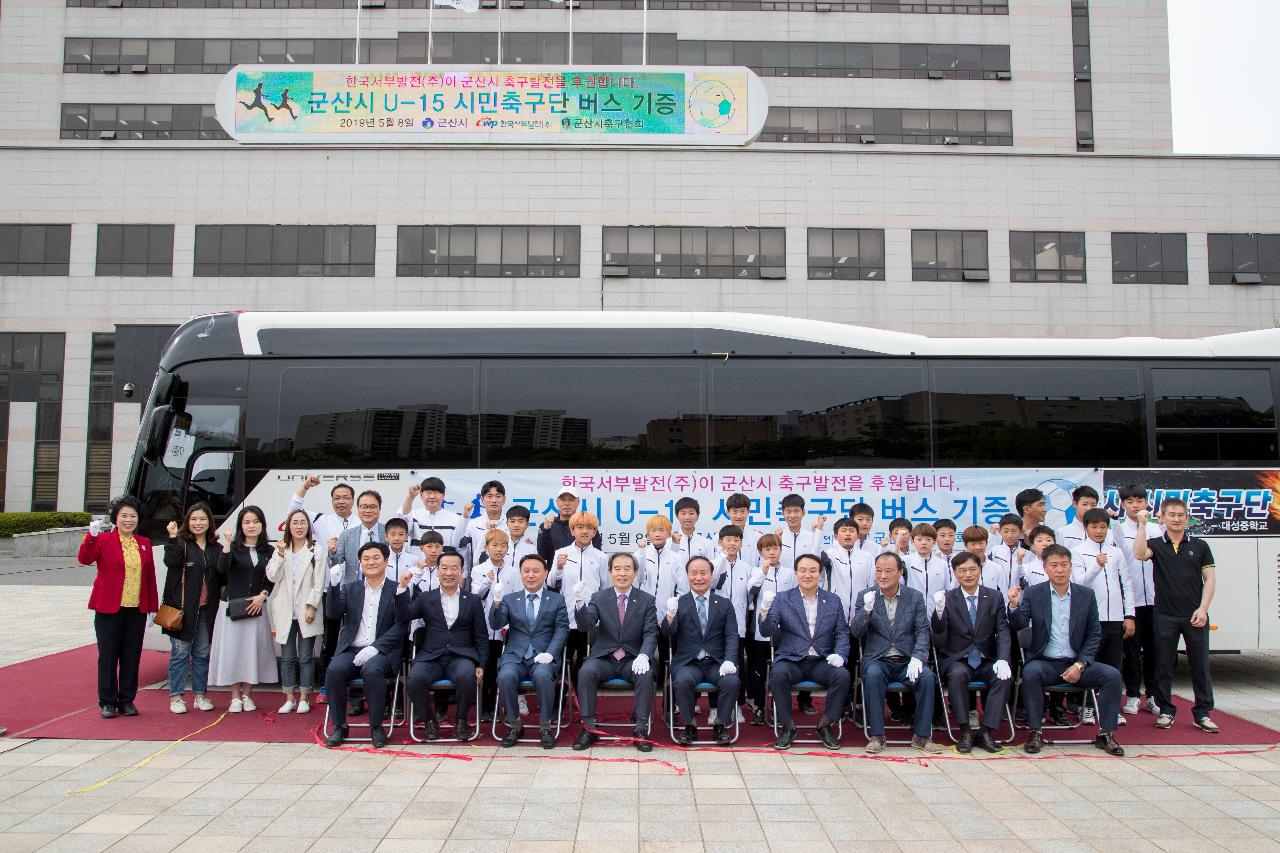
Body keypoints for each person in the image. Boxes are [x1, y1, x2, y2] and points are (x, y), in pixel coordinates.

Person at [1008, 544, 1125, 756]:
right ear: (1045, 568)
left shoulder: (1086, 595)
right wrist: (1015, 606)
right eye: (1054, 565)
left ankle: (1106, 733)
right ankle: (1036, 731)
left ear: (1071, 566)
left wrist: (1080, 664)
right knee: (1030, 672)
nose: (1059, 570)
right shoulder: (1035, 593)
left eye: (1064, 565)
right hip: (1046, 662)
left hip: (1078, 663)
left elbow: (1093, 634)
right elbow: (1019, 624)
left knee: (1112, 675)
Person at [1130, 497, 1218, 733]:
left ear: (1186, 518)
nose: (1176, 519)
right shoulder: (1156, 544)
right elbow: (1139, 554)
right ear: (1163, 518)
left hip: (1194, 616)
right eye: (1172, 515)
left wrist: (1203, 609)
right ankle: (1166, 710)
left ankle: (1202, 713)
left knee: (1200, 665)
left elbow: (1210, 579)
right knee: (1163, 665)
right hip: (1165, 615)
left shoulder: (1200, 546)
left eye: (1180, 515)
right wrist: (1141, 525)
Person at [851, 552, 943, 754]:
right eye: (878, 571)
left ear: (900, 572)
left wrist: (918, 658)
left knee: (927, 677)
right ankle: (877, 735)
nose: (882, 576)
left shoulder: (914, 597)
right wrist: (866, 611)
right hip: (878, 659)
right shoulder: (865, 595)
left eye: (888, 571)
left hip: (907, 659)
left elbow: (921, 630)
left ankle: (922, 735)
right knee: (873, 675)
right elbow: (856, 631)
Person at [757, 553, 850, 750]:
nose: (808, 575)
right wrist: (764, 612)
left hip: (821, 660)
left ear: (820, 573)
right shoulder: (782, 599)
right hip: (792, 659)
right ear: (796, 573)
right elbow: (767, 631)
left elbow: (842, 632)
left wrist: (840, 655)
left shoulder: (833, 600)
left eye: (813, 571)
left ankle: (825, 725)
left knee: (842, 675)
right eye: (803, 570)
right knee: (778, 673)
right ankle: (787, 726)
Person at [80, 495, 159, 719]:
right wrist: (91, 536)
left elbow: (149, 577)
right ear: (116, 518)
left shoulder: (144, 543)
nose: (128, 520)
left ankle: (127, 700)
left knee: (131, 655)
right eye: (123, 515)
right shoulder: (103, 540)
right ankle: (107, 702)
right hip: (108, 608)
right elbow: (85, 559)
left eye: (132, 516)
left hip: (136, 609)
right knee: (108, 655)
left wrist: (152, 607)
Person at [572, 552, 658, 752]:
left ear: (635, 572)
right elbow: (586, 625)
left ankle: (641, 729)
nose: (622, 573)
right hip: (605, 658)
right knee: (585, 672)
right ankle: (589, 728)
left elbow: (651, 632)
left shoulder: (646, 600)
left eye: (627, 569)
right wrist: (579, 603)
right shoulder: (599, 597)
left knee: (645, 674)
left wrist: (644, 655)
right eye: (617, 569)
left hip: (632, 658)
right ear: (610, 572)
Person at [397, 550, 486, 742]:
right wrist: (403, 588)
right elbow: (403, 616)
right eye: (444, 568)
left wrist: (481, 664)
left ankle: (461, 721)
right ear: (437, 571)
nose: (449, 573)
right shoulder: (425, 598)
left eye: (454, 568)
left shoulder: (473, 600)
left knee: (467, 676)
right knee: (414, 679)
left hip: (460, 656)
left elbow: (481, 636)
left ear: (462, 571)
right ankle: (429, 721)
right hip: (431, 656)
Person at [930, 551, 1011, 754]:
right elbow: (938, 635)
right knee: (957, 675)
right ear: (955, 573)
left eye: (972, 569)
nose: (968, 574)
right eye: (962, 570)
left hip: (986, 658)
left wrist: (1003, 659)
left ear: (980, 570)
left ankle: (986, 731)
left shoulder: (993, 597)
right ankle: (964, 730)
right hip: (958, 658)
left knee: (1003, 677)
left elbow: (1002, 630)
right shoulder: (948, 597)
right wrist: (938, 612)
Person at [324, 542, 403, 748]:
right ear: (360, 563)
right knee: (334, 670)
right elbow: (333, 614)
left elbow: (402, 625)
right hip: (352, 649)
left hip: (382, 652)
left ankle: (376, 726)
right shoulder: (351, 589)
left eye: (376, 558)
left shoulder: (397, 589)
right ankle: (339, 726)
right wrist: (333, 586)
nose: (371, 562)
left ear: (386, 561)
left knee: (372, 670)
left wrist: (376, 647)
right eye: (366, 558)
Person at [491, 554, 570, 749]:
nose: (531, 575)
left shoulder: (556, 599)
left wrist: (551, 653)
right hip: (515, 655)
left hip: (543, 655)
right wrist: (496, 603)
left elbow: (562, 629)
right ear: (520, 574)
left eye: (536, 571)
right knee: (505, 677)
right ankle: (515, 725)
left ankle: (545, 727)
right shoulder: (510, 599)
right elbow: (496, 623)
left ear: (545, 573)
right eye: (526, 571)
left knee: (543, 676)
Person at [661, 556, 740, 745]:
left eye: (703, 573)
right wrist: (670, 616)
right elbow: (667, 633)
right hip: (689, 662)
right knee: (682, 680)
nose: (699, 578)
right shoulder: (680, 602)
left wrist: (730, 660)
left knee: (732, 681)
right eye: (694, 573)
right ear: (687, 576)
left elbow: (731, 635)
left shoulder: (724, 604)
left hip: (716, 662)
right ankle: (690, 726)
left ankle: (720, 725)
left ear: (712, 576)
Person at [288, 476, 355, 696]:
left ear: (353, 501)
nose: (341, 501)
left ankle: (355, 686)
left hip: (357, 591)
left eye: (346, 497)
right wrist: (305, 486)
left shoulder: (361, 522)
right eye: (337, 498)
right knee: (330, 639)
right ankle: (328, 684)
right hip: (330, 591)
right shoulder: (320, 521)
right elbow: (293, 511)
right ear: (331, 500)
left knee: (356, 638)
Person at [1069, 507, 1134, 726]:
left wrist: (1129, 614)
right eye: (1094, 526)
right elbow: (1079, 583)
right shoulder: (1078, 551)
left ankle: (1111, 710)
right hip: (1091, 619)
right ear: (1085, 528)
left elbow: (1127, 584)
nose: (1099, 531)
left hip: (1115, 618)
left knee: (1114, 666)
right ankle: (1087, 707)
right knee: (1088, 663)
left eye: (1103, 527)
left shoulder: (1116, 551)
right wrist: (1097, 565)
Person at [208, 506, 276, 712]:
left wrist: (263, 596)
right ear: (240, 526)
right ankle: (234, 696)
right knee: (233, 652)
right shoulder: (233, 548)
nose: (251, 526)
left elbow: (271, 578)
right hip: (233, 609)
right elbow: (222, 569)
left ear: (262, 524)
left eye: (255, 521)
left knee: (251, 651)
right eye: (247, 522)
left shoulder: (269, 551)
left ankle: (248, 695)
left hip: (256, 607)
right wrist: (227, 544)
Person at [161, 502, 222, 715]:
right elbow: (170, 562)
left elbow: (221, 575)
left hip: (206, 610)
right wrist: (171, 537)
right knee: (180, 653)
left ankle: (200, 695)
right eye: (194, 519)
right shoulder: (180, 543)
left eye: (202, 519)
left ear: (209, 523)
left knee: (202, 653)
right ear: (187, 522)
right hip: (183, 611)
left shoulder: (216, 547)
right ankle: (176, 697)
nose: (198, 523)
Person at [265, 508, 326, 714]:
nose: (299, 526)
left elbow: (319, 582)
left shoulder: (316, 550)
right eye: (295, 523)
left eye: (303, 522)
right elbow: (272, 576)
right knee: (288, 656)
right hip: (285, 611)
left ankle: (304, 697)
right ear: (288, 526)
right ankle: (289, 697)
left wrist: (312, 606)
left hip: (306, 610)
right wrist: (281, 554)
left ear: (308, 526)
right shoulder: (281, 549)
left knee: (307, 656)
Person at [1115, 484, 1162, 717]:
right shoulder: (1118, 530)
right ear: (1122, 504)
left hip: (1155, 600)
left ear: (1146, 503)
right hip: (1131, 601)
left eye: (1139, 500)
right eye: (1130, 501)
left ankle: (1153, 696)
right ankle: (1133, 695)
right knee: (1131, 652)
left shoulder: (1157, 529)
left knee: (1155, 650)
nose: (1135, 505)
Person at [550, 511, 608, 685]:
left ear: (595, 532)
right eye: (580, 527)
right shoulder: (561, 553)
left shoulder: (601, 557)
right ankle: (559, 699)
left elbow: (604, 589)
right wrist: (559, 567)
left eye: (589, 528)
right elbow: (551, 583)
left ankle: (580, 697)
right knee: (562, 660)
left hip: (590, 620)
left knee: (586, 663)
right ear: (572, 530)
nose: (584, 531)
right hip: (565, 618)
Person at [469, 528, 517, 721]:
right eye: (494, 545)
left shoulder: (513, 572)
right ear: (486, 547)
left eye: (503, 546)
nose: (499, 549)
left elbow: (516, 598)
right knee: (486, 667)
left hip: (506, 628)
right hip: (485, 628)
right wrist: (486, 583)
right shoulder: (478, 570)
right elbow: (475, 597)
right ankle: (485, 707)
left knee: (502, 668)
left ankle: (501, 707)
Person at [745, 533, 792, 725]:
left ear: (781, 550)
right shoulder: (756, 572)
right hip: (761, 630)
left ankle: (780, 707)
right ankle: (760, 706)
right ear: (760, 552)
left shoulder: (790, 573)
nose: (771, 552)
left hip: (785, 631)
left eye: (775, 548)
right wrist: (763, 573)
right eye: (767, 549)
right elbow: (750, 593)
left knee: (781, 671)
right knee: (759, 671)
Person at [635, 514, 686, 686]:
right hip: (644, 614)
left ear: (669, 533)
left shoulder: (675, 557)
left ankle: (670, 699)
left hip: (668, 615)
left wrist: (674, 609)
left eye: (661, 530)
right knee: (644, 654)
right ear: (647, 534)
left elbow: (682, 587)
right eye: (653, 530)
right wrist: (641, 554)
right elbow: (639, 578)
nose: (657, 534)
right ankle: (646, 692)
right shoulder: (640, 554)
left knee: (668, 654)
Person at [712, 524, 752, 723]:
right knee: (714, 664)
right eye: (728, 539)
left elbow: (751, 596)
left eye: (736, 540)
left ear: (741, 544)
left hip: (738, 625)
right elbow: (710, 584)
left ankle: (736, 706)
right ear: (720, 542)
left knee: (736, 665)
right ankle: (713, 708)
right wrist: (721, 559)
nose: (732, 543)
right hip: (714, 626)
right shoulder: (714, 564)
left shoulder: (747, 568)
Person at [331, 491, 387, 585]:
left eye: (372, 507)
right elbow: (335, 564)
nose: (368, 511)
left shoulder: (388, 532)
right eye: (364, 507)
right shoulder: (347, 535)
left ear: (379, 509)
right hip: (353, 590)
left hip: (382, 588)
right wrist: (333, 553)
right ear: (358, 509)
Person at [537, 486, 601, 561]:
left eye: (571, 500)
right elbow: (542, 555)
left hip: (583, 571)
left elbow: (596, 554)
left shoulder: (588, 525)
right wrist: (546, 530)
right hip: (555, 571)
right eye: (563, 500)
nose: (567, 503)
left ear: (578, 502)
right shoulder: (547, 525)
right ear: (557, 502)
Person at [400, 476, 465, 549]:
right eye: (428, 493)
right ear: (421, 495)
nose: (432, 496)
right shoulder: (414, 516)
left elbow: (460, 548)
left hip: (446, 560)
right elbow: (402, 522)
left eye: (436, 493)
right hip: (418, 560)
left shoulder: (455, 519)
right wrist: (411, 496)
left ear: (443, 495)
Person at [463, 479, 509, 566]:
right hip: (478, 575)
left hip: (506, 576)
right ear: (482, 500)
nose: (494, 500)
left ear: (504, 499)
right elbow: (459, 546)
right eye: (489, 496)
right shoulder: (473, 524)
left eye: (498, 496)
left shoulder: (510, 524)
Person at [1056, 485, 1115, 551]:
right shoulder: (1062, 532)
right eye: (1085, 504)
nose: (1089, 508)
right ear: (1074, 504)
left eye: (1093, 505)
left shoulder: (1108, 533)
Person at [904, 522, 952, 601]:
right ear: (912, 541)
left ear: (934, 542)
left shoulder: (942, 564)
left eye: (928, 539)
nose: (924, 543)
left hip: (936, 611)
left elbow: (947, 589)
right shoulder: (906, 561)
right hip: (912, 610)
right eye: (919, 539)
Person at [776, 494, 822, 571]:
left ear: (803, 512)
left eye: (796, 511)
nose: (792, 515)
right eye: (788, 511)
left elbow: (818, 564)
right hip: (783, 582)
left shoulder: (812, 536)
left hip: (806, 582)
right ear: (783, 513)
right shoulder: (778, 537)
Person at [984, 513, 1024, 594]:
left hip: (1019, 600)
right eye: (1006, 531)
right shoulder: (994, 551)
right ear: (1000, 531)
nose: (1009, 535)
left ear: (1020, 532)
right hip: (997, 600)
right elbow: (981, 560)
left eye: (1014, 531)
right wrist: (992, 535)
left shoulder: (1028, 555)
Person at [671, 497, 716, 564]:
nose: (687, 517)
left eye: (691, 513)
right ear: (677, 516)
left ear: (697, 516)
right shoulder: (670, 542)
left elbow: (711, 569)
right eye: (683, 513)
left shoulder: (706, 544)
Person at [721, 492, 761, 566]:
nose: (739, 516)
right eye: (735, 511)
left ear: (748, 512)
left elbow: (762, 564)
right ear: (728, 512)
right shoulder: (719, 537)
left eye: (742, 511)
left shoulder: (757, 537)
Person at [382, 517, 415, 584]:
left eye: (401, 534)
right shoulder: (381, 558)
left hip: (406, 594)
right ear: (386, 537)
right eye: (393, 534)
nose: (397, 538)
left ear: (406, 536)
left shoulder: (414, 559)